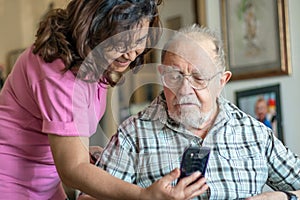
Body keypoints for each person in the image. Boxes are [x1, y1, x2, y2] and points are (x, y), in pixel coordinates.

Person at [0, 1, 206, 199]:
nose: (132, 53)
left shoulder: (95, 62)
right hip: (10, 184)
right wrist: (144, 195)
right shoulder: (60, 71)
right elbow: (73, 170)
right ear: (95, 26)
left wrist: (79, 149)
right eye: (122, 40)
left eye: (139, 40)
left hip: (46, 184)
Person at [94, 25, 300, 199]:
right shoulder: (133, 134)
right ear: (161, 75)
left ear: (221, 81)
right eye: (174, 76)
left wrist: (283, 196)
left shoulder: (254, 133)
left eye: (199, 77)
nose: (184, 90)